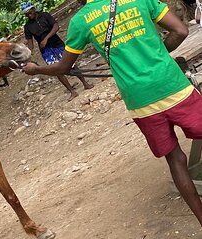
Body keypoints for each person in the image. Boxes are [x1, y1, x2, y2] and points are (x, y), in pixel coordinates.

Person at [23, 0, 202, 227]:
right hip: (172, 85)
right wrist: (157, 53)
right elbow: (181, 30)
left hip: (140, 101)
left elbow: (63, 68)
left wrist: (36, 69)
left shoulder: (82, 20)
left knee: (175, 159)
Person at [22, 2, 93, 100]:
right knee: (56, 70)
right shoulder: (27, 26)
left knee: (71, 64)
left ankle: (85, 84)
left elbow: (56, 27)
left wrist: (46, 38)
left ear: (33, 9)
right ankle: (72, 91)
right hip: (46, 50)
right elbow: (30, 43)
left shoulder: (45, 15)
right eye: (26, 14)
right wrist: (28, 56)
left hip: (57, 44)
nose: (29, 15)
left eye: (30, 13)